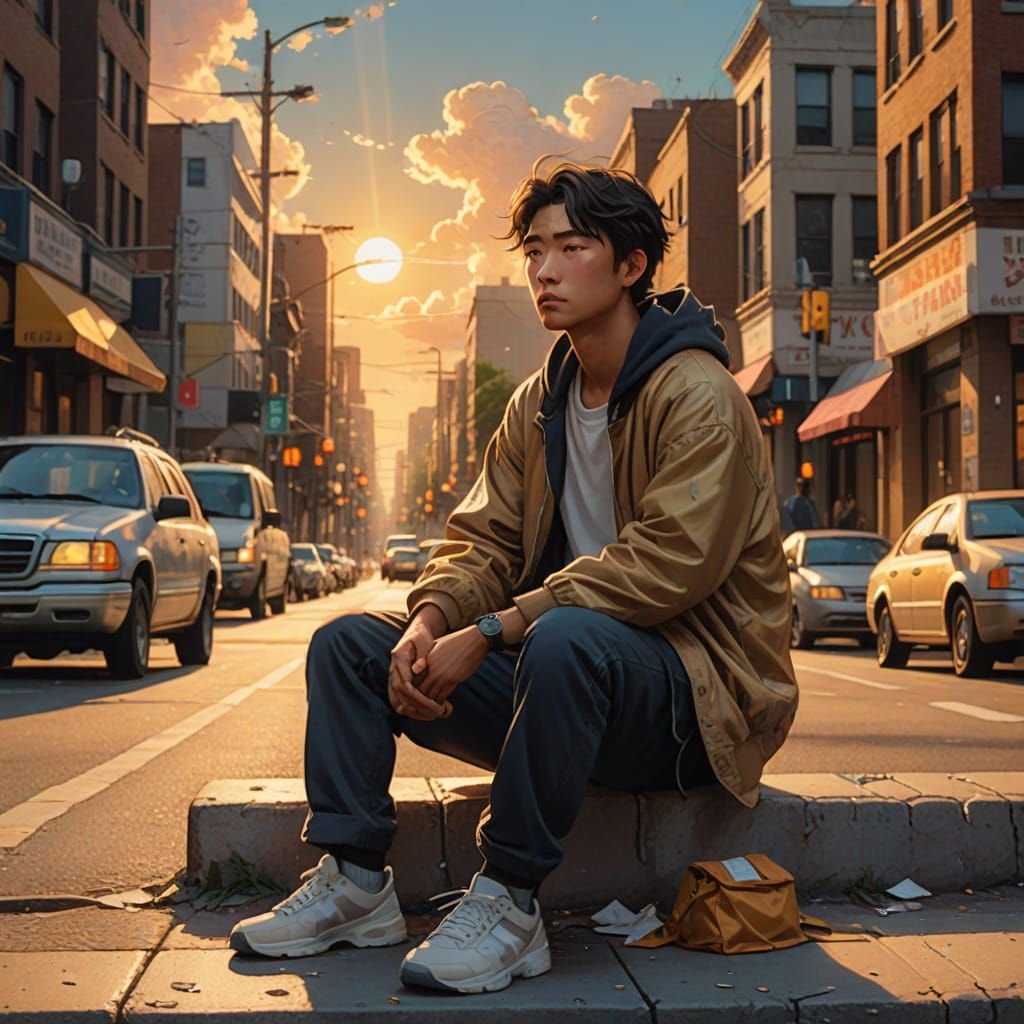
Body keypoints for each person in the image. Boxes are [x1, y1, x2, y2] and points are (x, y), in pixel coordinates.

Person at [230, 160, 798, 994]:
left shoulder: (699, 396)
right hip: (564, 689)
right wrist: (430, 622)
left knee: (566, 637)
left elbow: (668, 562)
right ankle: (354, 884)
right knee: (350, 645)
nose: (544, 270)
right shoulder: (539, 402)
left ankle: (509, 901)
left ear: (632, 265)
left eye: (571, 248)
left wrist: (497, 628)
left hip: (694, 704)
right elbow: (484, 542)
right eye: (534, 250)